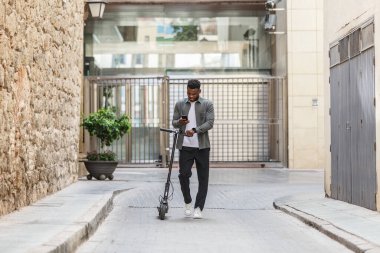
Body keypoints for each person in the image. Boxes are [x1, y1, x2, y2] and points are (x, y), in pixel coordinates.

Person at [172, 79, 214, 219]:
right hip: (185, 146)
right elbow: (174, 122)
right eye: (189, 93)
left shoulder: (207, 104)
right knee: (183, 175)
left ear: (199, 92)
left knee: (203, 178)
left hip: (202, 147)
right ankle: (188, 202)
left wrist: (195, 130)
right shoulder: (180, 104)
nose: (191, 96)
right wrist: (180, 122)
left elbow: (210, 122)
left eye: (194, 94)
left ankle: (198, 208)